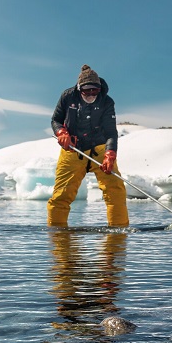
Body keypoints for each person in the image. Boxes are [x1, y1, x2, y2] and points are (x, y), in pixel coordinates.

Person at [47, 64, 129, 227]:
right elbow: (55, 120)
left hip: (100, 150)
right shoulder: (67, 96)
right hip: (72, 149)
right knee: (61, 194)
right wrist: (61, 133)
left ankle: (118, 232)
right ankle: (57, 233)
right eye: (87, 91)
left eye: (95, 90)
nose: (91, 94)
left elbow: (111, 132)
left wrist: (110, 154)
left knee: (115, 191)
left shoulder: (107, 102)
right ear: (79, 88)